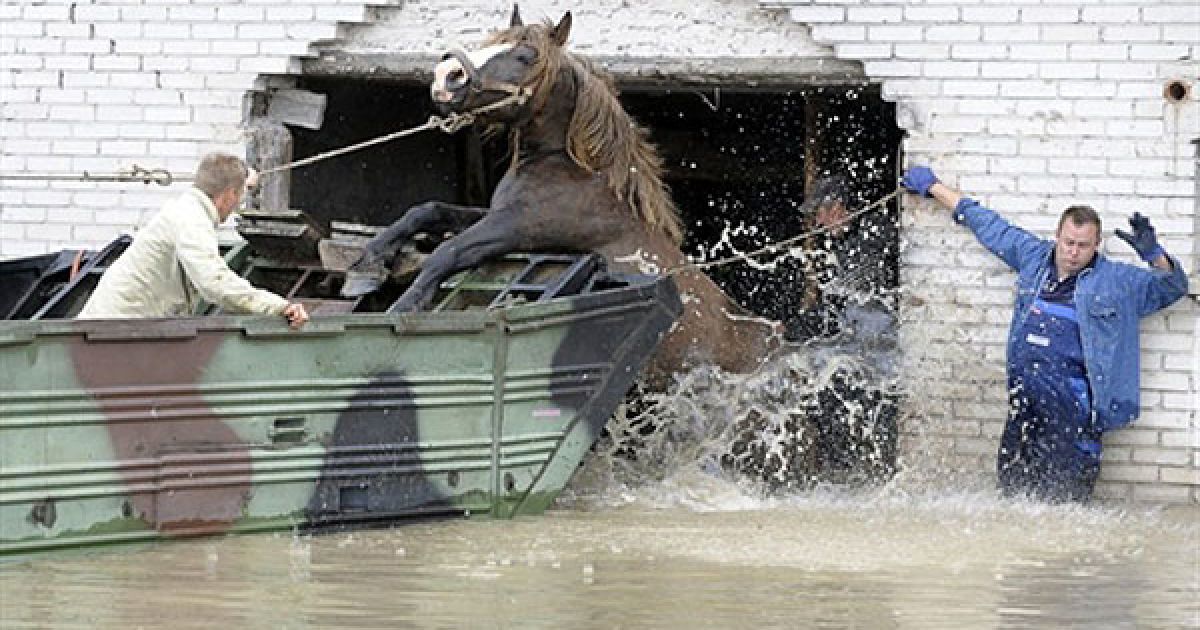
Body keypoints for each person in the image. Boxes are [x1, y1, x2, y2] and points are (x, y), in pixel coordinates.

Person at [901, 165, 1188, 502]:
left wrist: (1155, 256)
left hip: (1075, 405)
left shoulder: (1116, 280)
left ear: (1096, 244)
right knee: (1013, 492)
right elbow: (988, 224)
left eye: (1083, 245)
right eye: (1068, 242)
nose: (1073, 252)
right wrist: (934, 187)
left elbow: (1173, 287)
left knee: (1067, 500)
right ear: (1057, 235)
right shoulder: (1034, 257)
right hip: (1026, 399)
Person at [79, 153, 309, 328]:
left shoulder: (186, 209)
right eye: (239, 196)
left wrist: (244, 180)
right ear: (229, 195)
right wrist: (279, 307)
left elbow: (225, 174)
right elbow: (214, 283)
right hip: (113, 334)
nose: (238, 204)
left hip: (114, 328)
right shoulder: (193, 222)